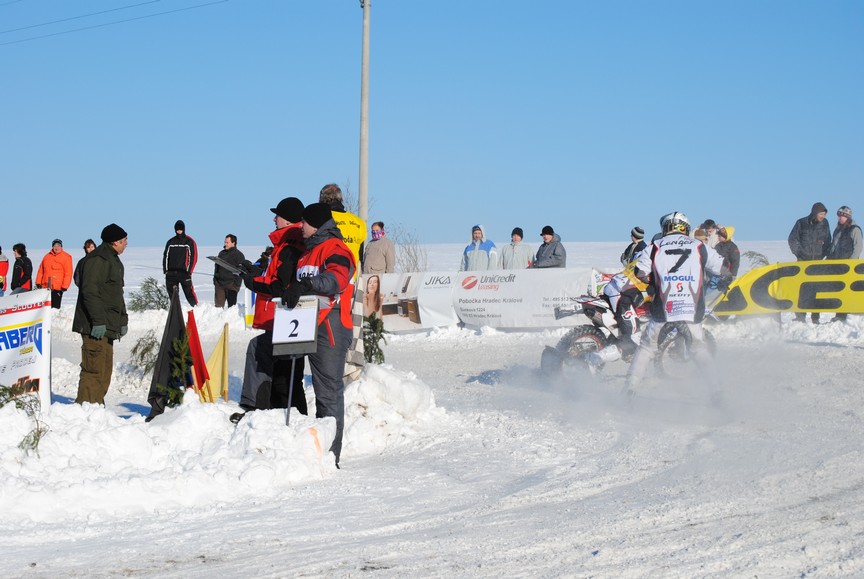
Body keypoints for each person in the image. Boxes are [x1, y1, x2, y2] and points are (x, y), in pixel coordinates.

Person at [282, 202, 356, 468]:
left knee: (328, 393)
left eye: (304, 222)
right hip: (307, 326)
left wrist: (307, 284)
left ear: (315, 224)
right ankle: (319, 448)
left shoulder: (336, 248)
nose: (300, 226)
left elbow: (337, 279)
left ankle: (331, 456)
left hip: (331, 326)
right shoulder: (307, 253)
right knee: (317, 391)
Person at [625, 212, 726, 396]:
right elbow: (722, 268)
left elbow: (640, 272)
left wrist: (653, 281)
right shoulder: (699, 245)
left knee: (647, 347)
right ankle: (717, 393)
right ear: (685, 227)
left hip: (664, 303)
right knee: (699, 348)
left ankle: (629, 390)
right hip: (692, 304)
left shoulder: (654, 246)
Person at [231, 198, 307, 423]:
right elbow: (276, 277)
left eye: (278, 215)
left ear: (288, 220)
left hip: (285, 318)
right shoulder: (286, 244)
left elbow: (279, 286)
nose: (274, 219)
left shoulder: (290, 246)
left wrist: (253, 283)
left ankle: (258, 409)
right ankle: (280, 414)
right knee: (284, 373)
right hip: (284, 319)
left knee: (263, 354)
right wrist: (255, 272)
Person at [72, 224, 128, 405]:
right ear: (115, 242)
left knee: (104, 371)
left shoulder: (114, 260)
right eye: (124, 240)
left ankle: (96, 408)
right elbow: (90, 292)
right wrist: (97, 321)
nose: (126, 243)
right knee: (93, 370)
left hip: (108, 327)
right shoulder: (97, 260)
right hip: (94, 327)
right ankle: (85, 409)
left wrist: (122, 320)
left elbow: (116, 294)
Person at [788, 202, 831, 323]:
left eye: (824, 214)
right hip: (803, 263)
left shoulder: (825, 223)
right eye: (821, 214)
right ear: (815, 212)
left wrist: (823, 255)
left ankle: (815, 317)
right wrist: (800, 254)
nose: (823, 216)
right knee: (802, 290)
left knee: (816, 289)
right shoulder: (801, 223)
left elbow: (828, 241)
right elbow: (792, 239)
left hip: (817, 263)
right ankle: (800, 316)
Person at [319, 183, 366, 273]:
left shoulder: (322, 219)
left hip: (328, 276)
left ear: (322, 198)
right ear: (340, 198)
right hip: (351, 276)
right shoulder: (359, 222)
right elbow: (361, 256)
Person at [828, 206, 862, 323]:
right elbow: (834, 246)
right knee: (839, 289)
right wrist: (829, 259)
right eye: (839, 215)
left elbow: (858, 247)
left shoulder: (855, 229)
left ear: (847, 217)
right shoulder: (837, 230)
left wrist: (852, 262)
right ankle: (839, 314)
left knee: (849, 290)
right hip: (838, 265)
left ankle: (850, 314)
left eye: (842, 215)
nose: (840, 218)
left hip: (849, 266)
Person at [162, 219, 198, 307]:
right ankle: (176, 312)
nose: (179, 231)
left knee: (189, 293)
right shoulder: (170, 242)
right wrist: (166, 271)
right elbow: (165, 256)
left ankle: (196, 309)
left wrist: (189, 272)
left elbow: (193, 257)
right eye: (177, 229)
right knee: (173, 296)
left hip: (184, 273)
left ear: (184, 229)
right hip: (171, 273)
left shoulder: (189, 242)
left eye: (180, 229)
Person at [35, 238, 73, 309]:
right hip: (45, 287)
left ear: (61, 247)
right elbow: (41, 271)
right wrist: (38, 282)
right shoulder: (47, 257)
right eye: (55, 246)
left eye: (58, 245)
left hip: (57, 288)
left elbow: (68, 273)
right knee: (44, 308)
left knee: (54, 308)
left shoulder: (66, 257)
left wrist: (65, 286)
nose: (56, 247)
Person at [213, 234, 246, 308]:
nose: (225, 244)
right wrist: (215, 280)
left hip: (232, 285)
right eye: (225, 242)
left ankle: (231, 320)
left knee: (231, 309)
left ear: (233, 243)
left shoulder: (239, 255)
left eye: (227, 242)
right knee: (217, 308)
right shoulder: (221, 253)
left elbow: (241, 271)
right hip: (219, 285)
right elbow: (216, 267)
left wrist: (236, 286)